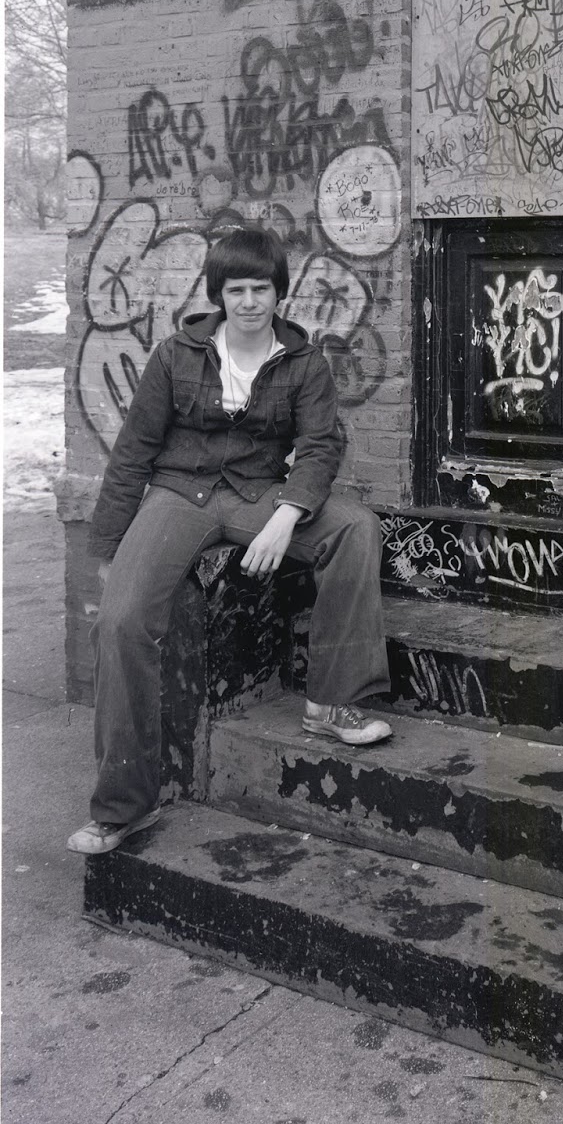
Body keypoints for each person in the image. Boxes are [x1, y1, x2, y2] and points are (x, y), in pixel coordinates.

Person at [67, 226, 392, 857]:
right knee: (123, 620)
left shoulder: (303, 362)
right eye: (236, 289)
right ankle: (121, 806)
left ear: (278, 294)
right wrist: (107, 551)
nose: (249, 301)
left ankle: (332, 703)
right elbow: (133, 453)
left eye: (261, 289)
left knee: (355, 527)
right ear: (218, 294)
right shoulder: (175, 356)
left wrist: (288, 513)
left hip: (256, 496)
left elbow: (321, 447)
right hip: (177, 496)